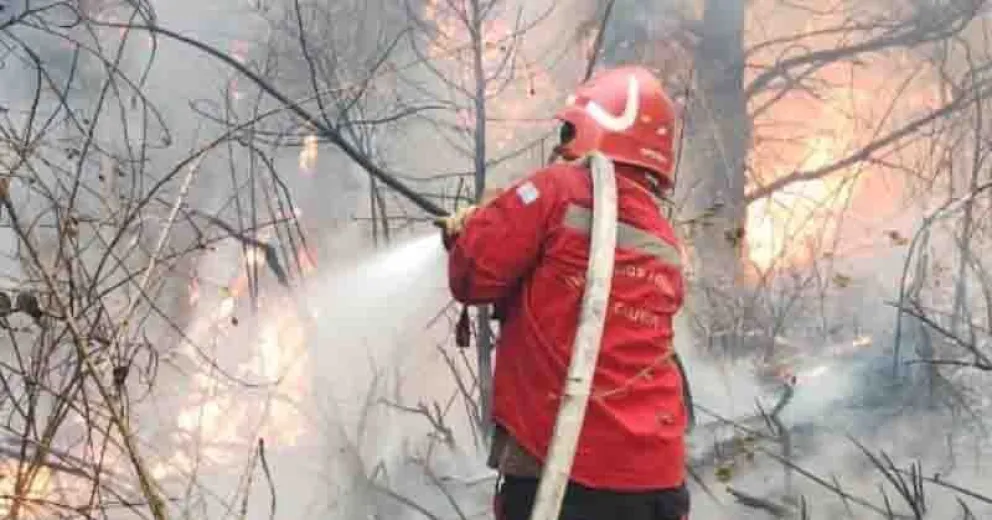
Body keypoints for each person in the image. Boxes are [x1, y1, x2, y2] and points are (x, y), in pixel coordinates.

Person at [438, 65, 690, 520]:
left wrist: (470, 229)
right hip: (657, 484)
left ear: (594, 125)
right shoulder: (663, 237)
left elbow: (473, 276)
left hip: (566, 473)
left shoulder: (558, 190)